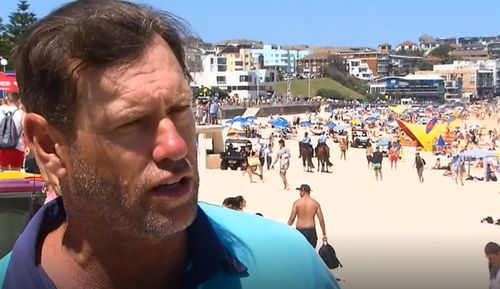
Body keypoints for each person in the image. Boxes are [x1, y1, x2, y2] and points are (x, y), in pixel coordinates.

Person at [0, 2, 340, 289]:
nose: (176, 146)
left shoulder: (289, 269)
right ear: (49, 146)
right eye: (131, 122)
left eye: (180, 110)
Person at [287, 184, 327, 249]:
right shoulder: (315, 203)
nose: (299, 193)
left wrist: (286, 228)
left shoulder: (297, 203)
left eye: (300, 191)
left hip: (300, 232)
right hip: (311, 232)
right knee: (311, 253)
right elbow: (321, 219)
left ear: (303, 191)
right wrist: (324, 233)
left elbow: (292, 219)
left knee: (300, 253)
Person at [0, 92, 25, 170]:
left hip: (2, 146)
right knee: (16, 172)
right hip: (18, 147)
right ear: (19, 101)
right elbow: (26, 131)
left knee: (3, 172)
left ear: (7, 100)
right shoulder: (21, 113)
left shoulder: (0, 111)